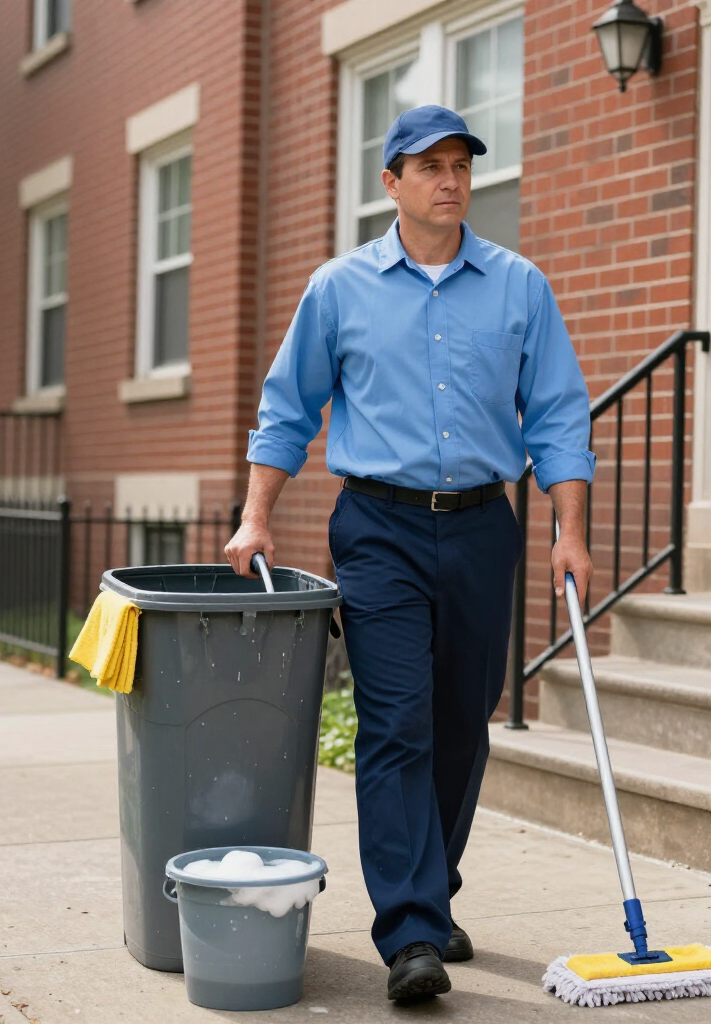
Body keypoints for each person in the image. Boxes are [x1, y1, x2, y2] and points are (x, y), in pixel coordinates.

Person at [225, 105, 594, 1003]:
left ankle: (431, 887)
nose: (450, 179)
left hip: (481, 525)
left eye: (461, 164)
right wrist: (255, 516)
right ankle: (413, 930)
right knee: (398, 721)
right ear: (390, 182)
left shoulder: (519, 287)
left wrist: (570, 532)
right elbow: (288, 407)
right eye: (428, 166)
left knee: (465, 722)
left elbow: (558, 416)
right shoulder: (339, 287)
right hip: (379, 527)